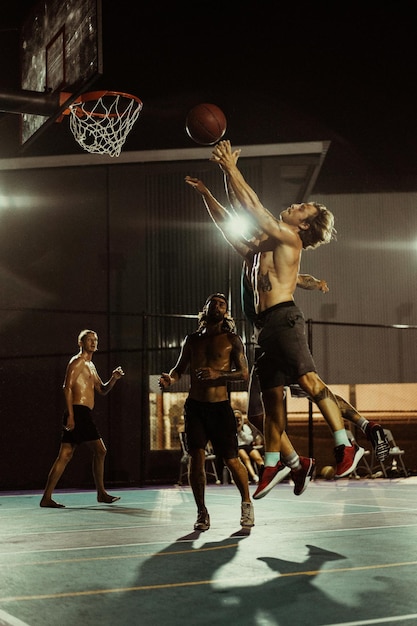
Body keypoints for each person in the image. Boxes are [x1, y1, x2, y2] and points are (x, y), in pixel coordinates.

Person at [187, 140, 389, 500]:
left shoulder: (288, 239)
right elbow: (230, 217)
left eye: (302, 208)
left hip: (284, 319)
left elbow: (252, 204)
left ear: (304, 225)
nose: (295, 205)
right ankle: (284, 462)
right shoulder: (259, 246)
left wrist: (231, 167)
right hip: (266, 329)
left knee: (310, 382)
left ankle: (347, 442)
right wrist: (211, 186)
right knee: (268, 403)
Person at [159, 293, 255, 531]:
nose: (218, 306)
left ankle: (246, 503)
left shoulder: (233, 340)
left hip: (220, 408)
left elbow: (244, 374)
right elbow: (179, 369)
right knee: (196, 459)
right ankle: (202, 512)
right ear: (205, 309)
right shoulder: (192, 340)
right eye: (214, 303)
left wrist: (218, 374)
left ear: (226, 312)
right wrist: (170, 379)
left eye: (222, 304)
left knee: (232, 460)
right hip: (195, 407)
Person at [40, 329, 124, 508]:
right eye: (89, 340)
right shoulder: (77, 361)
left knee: (65, 455)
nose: (93, 342)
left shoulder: (91, 366)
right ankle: (101, 493)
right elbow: (66, 387)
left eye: (95, 339)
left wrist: (114, 378)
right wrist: (71, 415)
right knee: (100, 451)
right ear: (81, 343)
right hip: (78, 412)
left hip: (82, 413)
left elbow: (101, 389)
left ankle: (46, 498)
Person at [235, 408, 264, 483]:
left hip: (247, 446)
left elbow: (250, 439)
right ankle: (254, 476)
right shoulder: (231, 429)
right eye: (236, 418)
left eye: (239, 418)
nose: (237, 420)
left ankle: (265, 474)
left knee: (258, 457)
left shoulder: (245, 427)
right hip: (238, 447)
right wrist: (236, 430)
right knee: (246, 458)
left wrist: (240, 431)